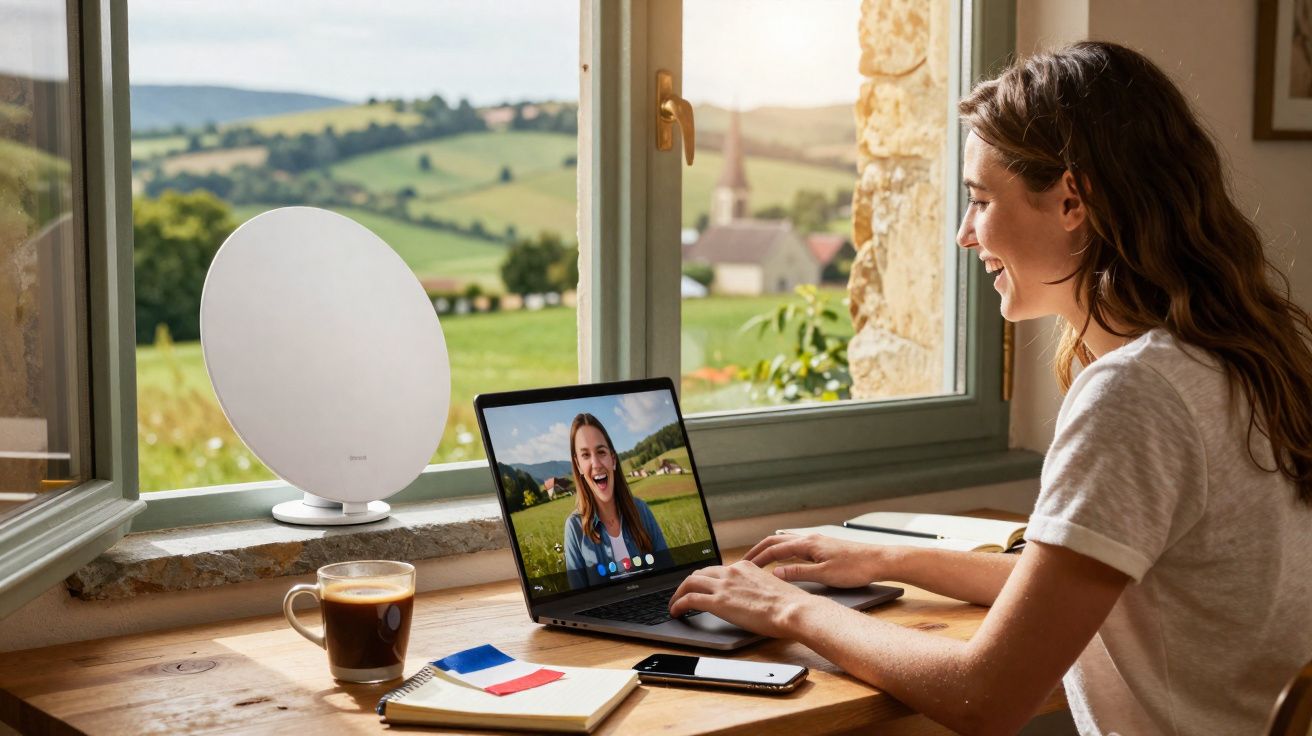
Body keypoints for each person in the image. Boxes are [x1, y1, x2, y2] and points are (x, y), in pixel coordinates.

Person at [669, 41, 1312, 734]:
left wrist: (786, 608)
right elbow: (1079, 591)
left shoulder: (1136, 395)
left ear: (1073, 200)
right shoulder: (1237, 357)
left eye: (979, 201)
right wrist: (889, 557)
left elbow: (985, 696)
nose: (963, 236)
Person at [563, 413, 670, 589]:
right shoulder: (574, 529)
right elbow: (579, 600)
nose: (596, 463)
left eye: (601, 452)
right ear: (578, 465)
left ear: (613, 459)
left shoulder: (641, 510)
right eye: (585, 455)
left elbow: (668, 577)